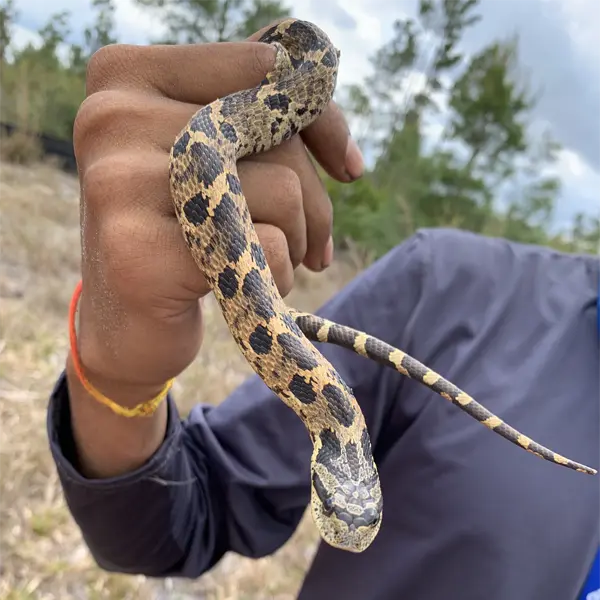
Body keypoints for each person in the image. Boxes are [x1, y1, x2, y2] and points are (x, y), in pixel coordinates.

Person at [47, 21, 600, 600]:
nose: (345, 529)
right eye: (348, 512)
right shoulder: (448, 287)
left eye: (339, 514)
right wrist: (118, 372)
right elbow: (181, 519)